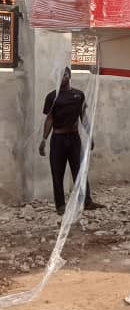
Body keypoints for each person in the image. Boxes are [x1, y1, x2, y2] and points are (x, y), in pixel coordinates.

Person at [39, 67, 100, 215]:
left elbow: (83, 116)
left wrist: (89, 135)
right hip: (58, 139)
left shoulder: (79, 95)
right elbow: (49, 119)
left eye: (64, 74)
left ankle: (86, 201)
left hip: (74, 138)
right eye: (59, 75)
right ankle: (60, 205)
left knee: (79, 170)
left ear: (69, 75)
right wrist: (43, 139)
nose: (62, 77)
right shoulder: (52, 97)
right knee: (57, 173)